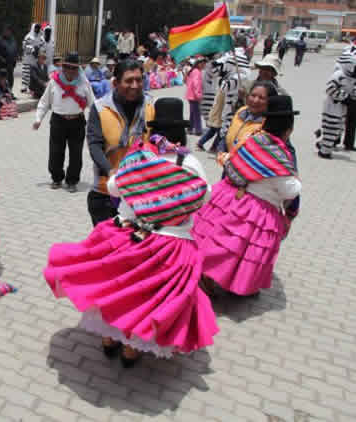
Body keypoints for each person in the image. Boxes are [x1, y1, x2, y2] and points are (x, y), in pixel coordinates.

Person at [44, 97, 217, 367]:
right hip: (171, 243)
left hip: (128, 234)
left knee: (118, 290)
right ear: (181, 132)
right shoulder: (191, 164)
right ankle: (131, 348)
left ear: (154, 129)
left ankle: (110, 339)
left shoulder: (138, 156)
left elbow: (114, 187)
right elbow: (203, 197)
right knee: (148, 299)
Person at [192, 95, 301, 296]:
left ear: (265, 121)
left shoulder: (252, 140)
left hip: (228, 195)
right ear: (289, 129)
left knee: (216, 238)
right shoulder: (278, 154)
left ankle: (200, 270)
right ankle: (218, 278)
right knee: (238, 247)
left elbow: (232, 161)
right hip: (256, 208)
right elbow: (290, 190)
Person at [85, 59, 155, 226]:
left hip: (141, 193)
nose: (135, 85)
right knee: (106, 247)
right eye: (129, 80)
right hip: (106, 193)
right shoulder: (100, 108)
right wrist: (110, 172)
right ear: (115, 83)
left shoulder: (150, 105)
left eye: (139, 80)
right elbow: (94, 145)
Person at [33, 52, 96, 193]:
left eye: (74, 68)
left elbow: (93, 104)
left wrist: (99, 122)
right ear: (63, 67)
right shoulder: (54, 82)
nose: (71, 71)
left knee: (76, 153)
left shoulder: (84, 82)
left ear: (78, 69)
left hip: (77, 121)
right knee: (56, 151)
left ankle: (72, 181)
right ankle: (56, 178)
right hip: (58, 121)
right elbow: (44, 102)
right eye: (68, 67)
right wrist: (38, 119)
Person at [316, 55, 356, 159]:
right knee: (331, 127)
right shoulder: (339, 75)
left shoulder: (351, 78)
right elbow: (329, 89)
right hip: (333, 106)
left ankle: (322, 143)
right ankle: (324, 151)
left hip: (342, 108)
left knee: (338, 130)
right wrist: (344, 97)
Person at [224, 81, 277, 155]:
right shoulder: (241, 111)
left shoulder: (271, 124)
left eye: (261, 98)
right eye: (253, 95)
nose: (255, 100)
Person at [0, 24, 18, 90]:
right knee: (1, 79)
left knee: (10, 79)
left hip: (11, 64)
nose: (7, 32)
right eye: (6, 31)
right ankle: (1, 93)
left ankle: (9, 93)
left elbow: (15, 50)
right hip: (2, 64)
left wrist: (15, 59)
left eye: (9, 31)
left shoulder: (12, 39)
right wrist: (1, 59)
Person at [22, 23, 44, 94]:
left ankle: (32, 87)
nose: (37, 29)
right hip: (28, 58)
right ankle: (24, 87)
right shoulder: (28, 36)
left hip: (36, 58)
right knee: (26, 73)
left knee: (34, 73)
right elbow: (24, 46)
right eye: (36, 28)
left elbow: (42, 45)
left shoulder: (40, 37)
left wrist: (39, 50)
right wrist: (33, 50)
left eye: (38, 28)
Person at [186, 57, 205, 136]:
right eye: (203, 63)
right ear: (199, 64)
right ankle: (198, 130)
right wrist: (199, 95)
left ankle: (190, 128)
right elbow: (196, 84)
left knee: (193, 113)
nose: (204, 65)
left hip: (191, 95)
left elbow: (188, 82)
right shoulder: (197, 72)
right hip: (194, 96)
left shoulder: (193, 71)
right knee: (196, 113)